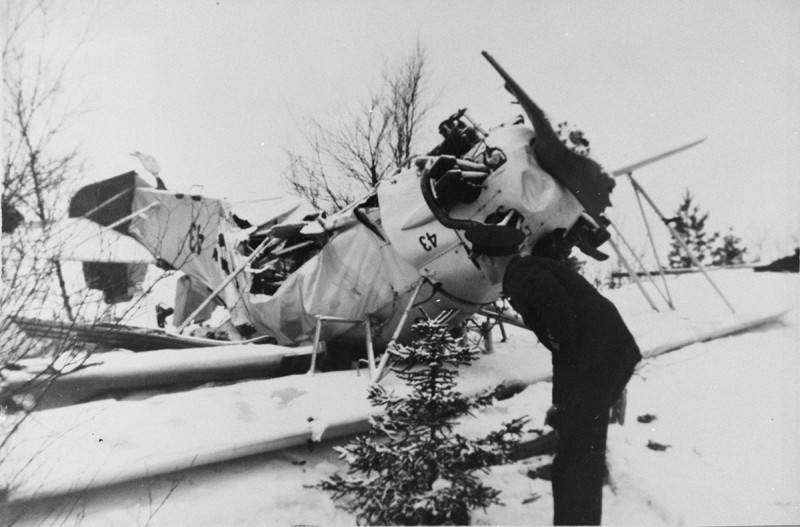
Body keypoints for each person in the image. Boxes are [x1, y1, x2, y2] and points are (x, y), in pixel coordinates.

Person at [467, 226, 642, 526]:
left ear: (489, 259)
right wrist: (562, 400)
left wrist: (569, 396)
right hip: (607, 359)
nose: (480, 272)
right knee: (578, 459)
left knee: (575, 464)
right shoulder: (526, 271)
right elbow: (563, 339)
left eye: (478, 263)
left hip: (599, 364)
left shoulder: (522, 277)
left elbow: (561, 327)